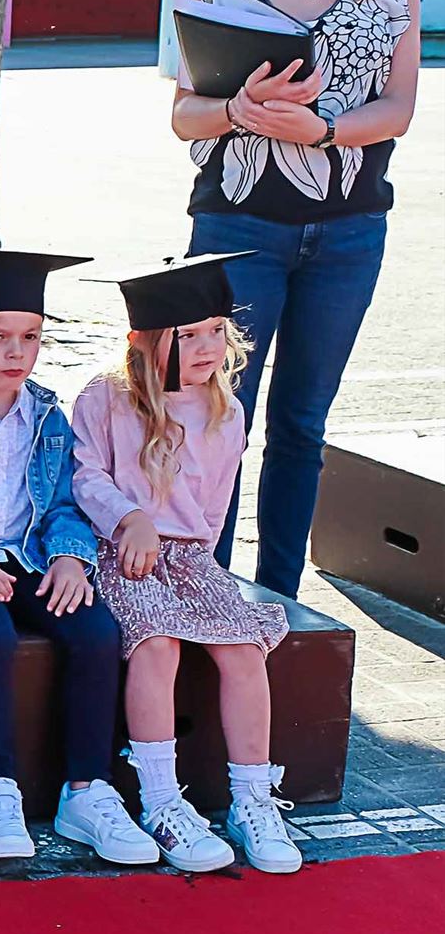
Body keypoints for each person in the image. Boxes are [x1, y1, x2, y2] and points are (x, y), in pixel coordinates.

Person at [169, 0, 422, 598]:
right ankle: (204, 595)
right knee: (218, 418)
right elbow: (185, 116)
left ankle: (277, 603)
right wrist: (239, 111)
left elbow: (399, 110)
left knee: (302, 426)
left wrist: (322, 131)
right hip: (237, 228)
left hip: (349, 236)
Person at [0, 249, 154, 867]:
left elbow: (63, 503)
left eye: (30, 337)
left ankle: (87, 790)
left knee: (96, 632)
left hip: (31, 559)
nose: (16, 352)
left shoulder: (46, 414)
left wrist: (70, 558)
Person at [74, 255, 299, 875]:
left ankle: (253, 800)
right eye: (189, 334)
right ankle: (161, 801)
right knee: (156, 643)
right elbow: (85, 475)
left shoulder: (227, 411)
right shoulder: (107, 398)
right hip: (122, 552)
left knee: (244, 648)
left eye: (217, 331)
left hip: (192, 559)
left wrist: (203, 568)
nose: (207, 347)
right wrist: (130, 518)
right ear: (143, 341)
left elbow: (215, 510)